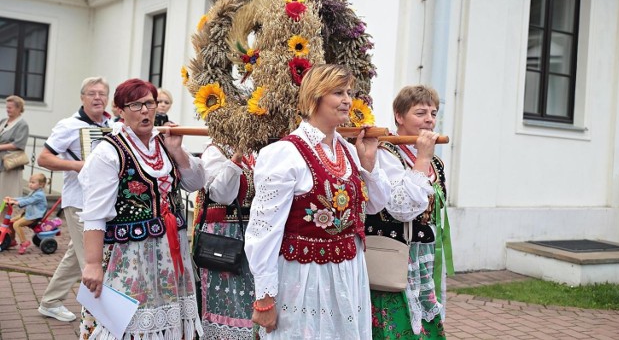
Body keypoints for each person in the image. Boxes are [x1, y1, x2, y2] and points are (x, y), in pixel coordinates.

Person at [245, 64, 391, 339]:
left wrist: (369, 164)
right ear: (315, 97)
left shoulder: (348, 151)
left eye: (349, 92)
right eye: (338, 92)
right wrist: (264, 296)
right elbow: (264, 230)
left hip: (348, 274)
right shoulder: (284, 154)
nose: (348, 99)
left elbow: (374, 206)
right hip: (303, 278)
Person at [79, 78, 205, 339]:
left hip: (170, 251)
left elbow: (196, 183)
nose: (146, 110)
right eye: (135, 105)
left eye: (150, 103)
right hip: (129, 253)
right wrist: (92, 263)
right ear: (120, 111)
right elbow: (94, 213)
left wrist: (178, 151)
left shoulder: (165, 144)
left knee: (168, 322)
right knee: (125, 322)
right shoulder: (109, 152)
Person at [365, 85, 452, 339]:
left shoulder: (436, 161)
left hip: (424, 253)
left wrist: (425, 158)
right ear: (399, 116)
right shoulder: (386, 154)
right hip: (394, 253)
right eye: (420, 112)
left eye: (433, 113)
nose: (429, 119)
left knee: (426, 317)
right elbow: (401, 208)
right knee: (397, 320)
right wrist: (422, 158)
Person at [36, 77, 111, 322]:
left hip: (102, 200)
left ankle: (50, 301)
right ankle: (103, 318)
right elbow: (43, 158)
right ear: (82, 98)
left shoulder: (112, 124)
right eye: (92, 93)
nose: (98, 97)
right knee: (91, 259)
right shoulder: (68, 125)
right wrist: (78, 165)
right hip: (79, 200)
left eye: (102, 93)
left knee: (75, 254)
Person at [195, 144, 258, 338]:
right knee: (226, 298)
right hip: (224, 237)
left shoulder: (257, 152)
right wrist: (236, 159)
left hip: (253, 235)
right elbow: (221, 195)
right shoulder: (214, 151)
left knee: (252, 297)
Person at [5, 173, 48, 254]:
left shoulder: (39, 195)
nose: (30, 184)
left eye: (33, 182)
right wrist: (13, 199)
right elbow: (25, 198)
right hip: (29, 214)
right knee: (10, 221)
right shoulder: (34, 192)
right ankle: (12, 240)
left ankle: (24, 242)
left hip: (34, 216)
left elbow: (28, 201)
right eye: (30, 182)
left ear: (41, 184)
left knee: (16, 224)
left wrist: (17, 203)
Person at [0, 95, 30, 199]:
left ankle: (5, 214)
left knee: (7, 192)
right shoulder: (3, 121)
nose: (7, 110)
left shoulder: (22, 124)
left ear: (18, 108)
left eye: (10, 107)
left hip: (10, 163)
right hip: (0, 161)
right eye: (7, 107)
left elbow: (18, 144)